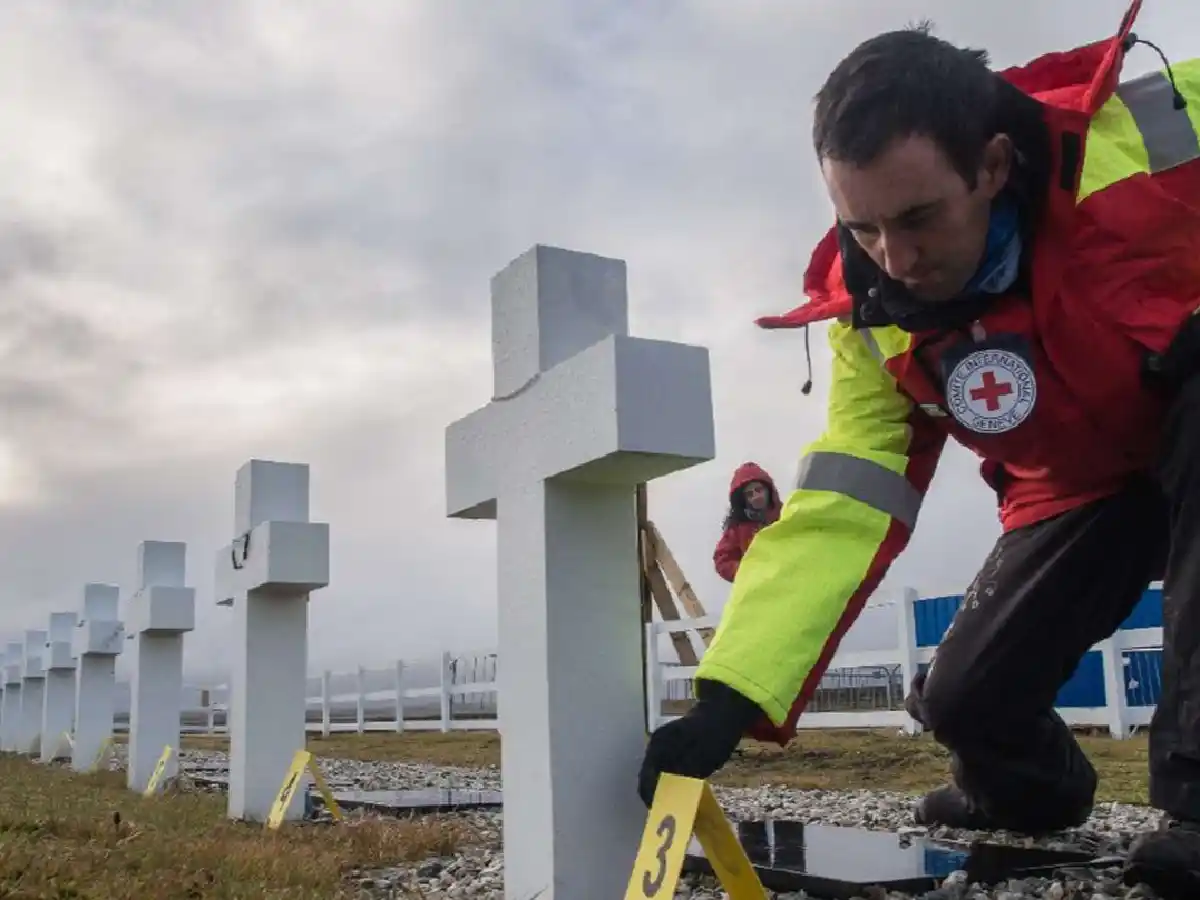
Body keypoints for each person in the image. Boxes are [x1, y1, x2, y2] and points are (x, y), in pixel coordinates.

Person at [637, 2, 1200, 895]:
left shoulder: (1147, 142)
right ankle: (1030, 797)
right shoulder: (874, 323)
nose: (893, 257)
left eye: (918, 218)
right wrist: (730, 694)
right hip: (1075, 491)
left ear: (992, 165)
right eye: (861, 228)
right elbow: (845, 502)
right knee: (963, 702)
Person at [713, 462, 782, 582]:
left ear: (768, 490)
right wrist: (746, 573)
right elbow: (722, 559)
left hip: (788, 583)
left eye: (758, 490)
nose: (756, 496)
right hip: (758, 590)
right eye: (750, 494)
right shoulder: (737, 528)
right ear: (744, 500)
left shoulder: (786, 515)